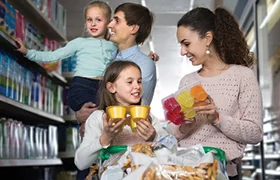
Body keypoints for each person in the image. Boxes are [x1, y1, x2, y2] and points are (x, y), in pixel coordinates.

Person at [166, 7, 263, 180]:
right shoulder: (187, 81)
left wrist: (217, 118)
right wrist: (184, 125)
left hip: (223, 173)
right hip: (185, 172)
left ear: (207, 39)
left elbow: (255, 133)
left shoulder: (242, 76)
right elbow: (172, 132)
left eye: (186, 44)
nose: (182, 51)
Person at [15, 1, 117, 112]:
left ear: (108, 22)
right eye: (89, 20)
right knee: (95, 111)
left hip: (103, 88)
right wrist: (27, 52)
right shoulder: (79, 42)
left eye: (98, 20)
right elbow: (53, 55)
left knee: (106, 115)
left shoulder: (114, 46)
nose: (93, 24)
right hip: (82, 85)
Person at [76, 2, 158, 135]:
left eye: (117, 21)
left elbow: (139, 111)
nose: (110, 25)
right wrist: (80, 116)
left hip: (124, 140)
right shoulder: (106, 58)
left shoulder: (144, 65)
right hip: (99, 138)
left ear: (133, 28)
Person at [74, 60, 167, 170]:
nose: (137, 86)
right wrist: (105, 138)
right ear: (111, 87)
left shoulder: (149, 117)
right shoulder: (99, 117)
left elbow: (171, 152)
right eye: (129, 82)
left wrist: (154, 137)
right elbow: (81, 163)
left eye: (139, 81)